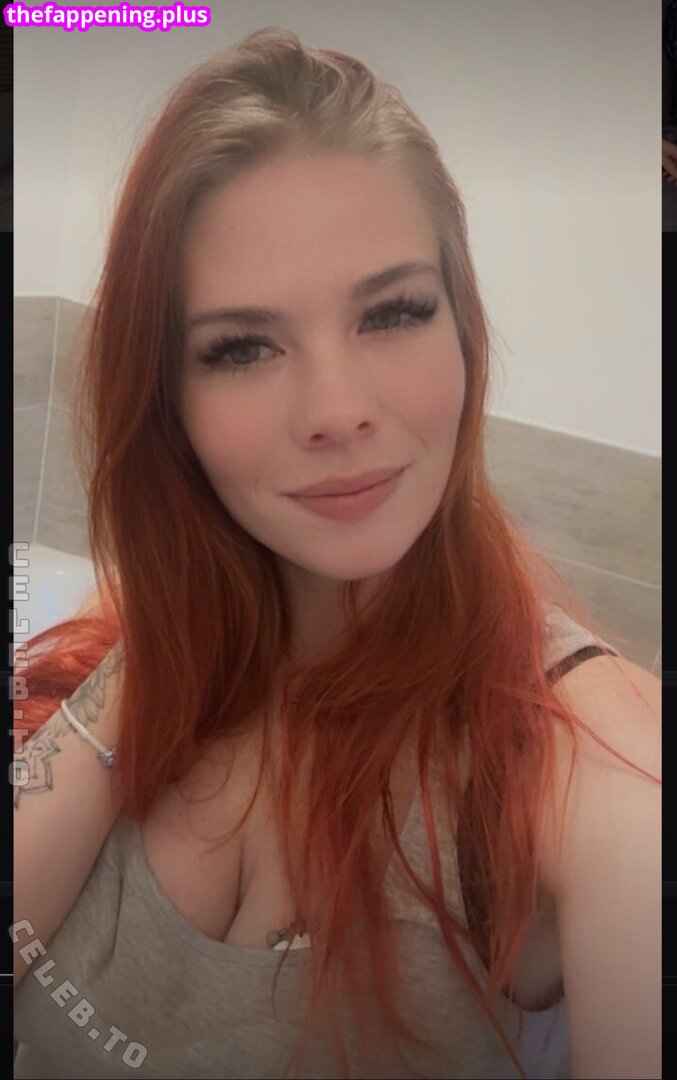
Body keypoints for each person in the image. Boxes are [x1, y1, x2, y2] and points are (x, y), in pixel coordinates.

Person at [12, 27, 660, 1080]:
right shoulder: (136, 637)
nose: (336, 408)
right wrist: (175, 633)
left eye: (392, 312)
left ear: (464, 332)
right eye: (242, 347)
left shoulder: (591, 761)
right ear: (168, 401)